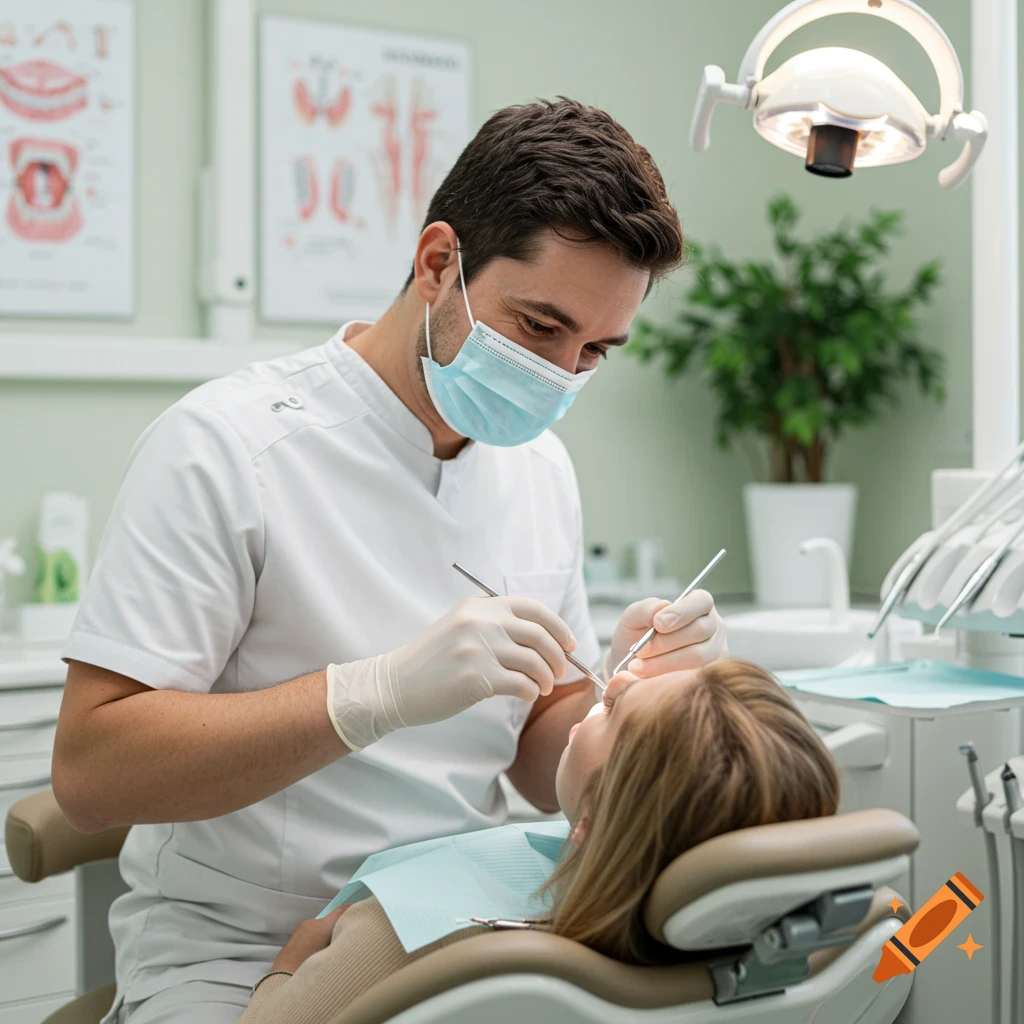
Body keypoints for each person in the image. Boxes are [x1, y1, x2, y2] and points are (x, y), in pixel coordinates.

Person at [51, 98, 729, 1024]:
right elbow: (93, 777)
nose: (562, 376)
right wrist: (368, 696)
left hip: (461, 921)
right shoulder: (226, 448)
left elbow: (539, 753)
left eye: (596, 351)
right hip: (245, 951)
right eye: (539, 328)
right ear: (438, 262)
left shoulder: (540, 468)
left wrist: (631, 701)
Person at [235, 659, 840, 1023]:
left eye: (618, 708)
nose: (620, 674)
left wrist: (292, 962)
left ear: (591, 825)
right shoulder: (718, 952)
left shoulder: (402, 936)